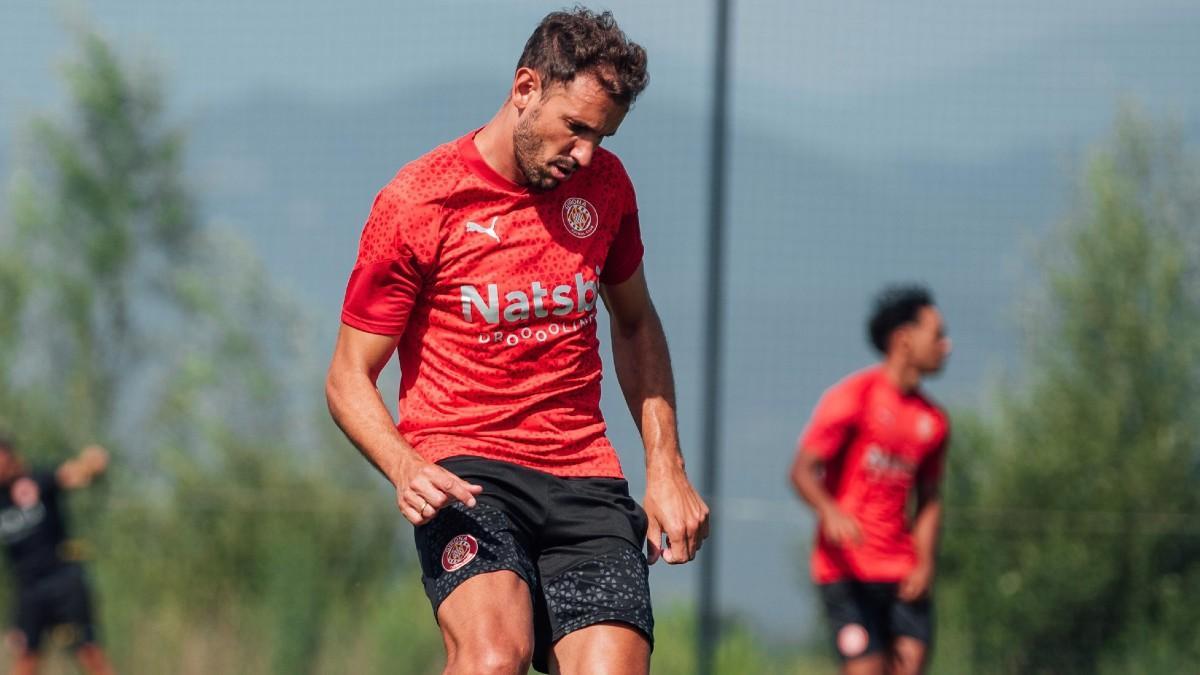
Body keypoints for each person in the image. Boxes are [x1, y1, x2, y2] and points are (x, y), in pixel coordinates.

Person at [325, 8, 709, 675]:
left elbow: (636, 321)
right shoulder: (420, 202)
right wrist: (403, 464)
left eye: (604, 135)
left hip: (585, 476)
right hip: (467, 472)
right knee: (494, 657)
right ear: (526, 88)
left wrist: (666, 467)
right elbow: (347, 374)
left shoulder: (607, 188)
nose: (587, 153)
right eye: (577, 128)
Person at [790, 285, 952, 675]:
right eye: (938, 334)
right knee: (867, 669)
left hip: (902, 571)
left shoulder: (934, 421)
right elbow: (801, 470)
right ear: (904, 339)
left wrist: (925, 561)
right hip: (846, 570)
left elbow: (929, 498)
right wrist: (829, 510)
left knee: (909, 665)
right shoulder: (854, 397)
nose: (947, 346)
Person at [0, 436, 115, 675]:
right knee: (26, 660)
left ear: (9, 456)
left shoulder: (36, 481)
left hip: (63, 579)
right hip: (28, 589)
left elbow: (74, 474)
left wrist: (92, 464)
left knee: (89, 652)